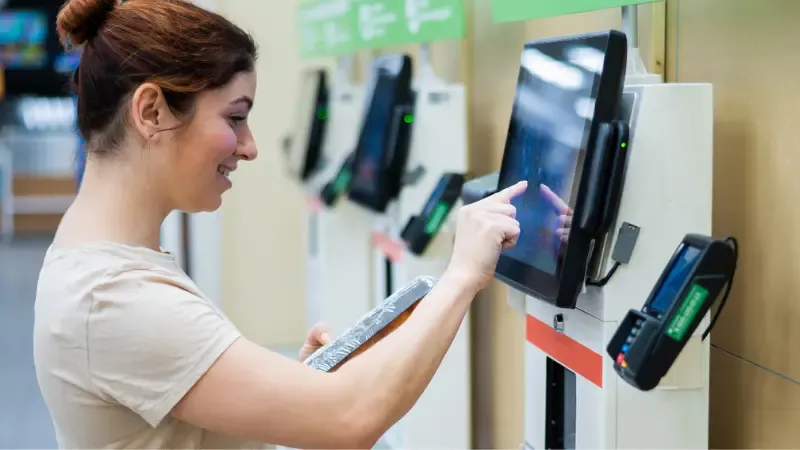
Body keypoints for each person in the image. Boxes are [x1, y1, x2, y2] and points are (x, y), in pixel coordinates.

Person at [32, 0, 528, 448]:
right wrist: (462, 275)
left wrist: (291, 391)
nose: (249, 147)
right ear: (151, 111)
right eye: (234, 118)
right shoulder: (115, 297)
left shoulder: (97, 262)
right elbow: (351, 418)